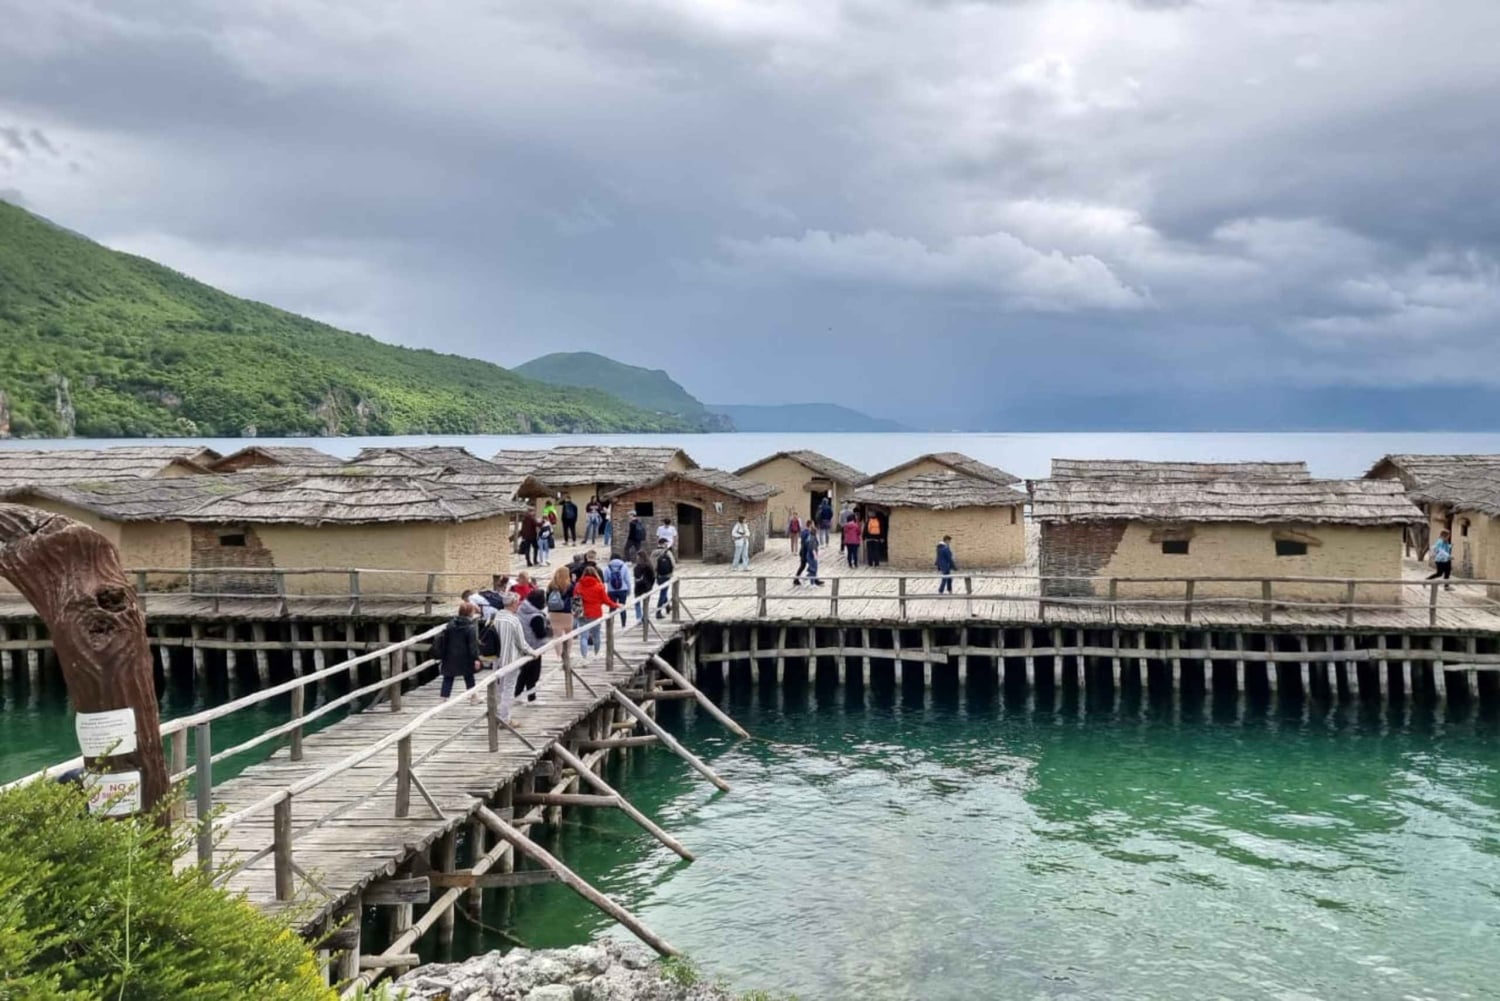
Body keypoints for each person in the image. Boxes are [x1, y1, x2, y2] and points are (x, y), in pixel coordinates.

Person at [491, 592, 533, 723]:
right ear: (513, 603)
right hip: (511, 660)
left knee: (499, 688)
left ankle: (496, 715)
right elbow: (522, 644)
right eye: (517, 602)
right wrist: (533, 652)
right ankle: (505, 718)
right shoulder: (514, 620)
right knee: (508, 689)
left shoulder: (496, 616)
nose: (518, 605)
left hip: (497, 659)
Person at [436, 601, 481, 703]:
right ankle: (473, 697)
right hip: (465, 656)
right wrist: (476, 659)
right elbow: (472, 646)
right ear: (470, 613)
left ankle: (443, 698)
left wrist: (443, 655)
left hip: (450, 655)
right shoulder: (470, 628)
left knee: (448, 677)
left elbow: (445, 640)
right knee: (469, 676)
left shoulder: (450, 625)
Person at [574, 565, 621, 657]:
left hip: (582, 613)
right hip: (595, 613)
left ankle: (584, 656)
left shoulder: (578, 586)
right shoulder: (599, 586)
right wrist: (616, 605)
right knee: (596, 635)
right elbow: (606, 600)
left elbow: (575, 600)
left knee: (584, 636)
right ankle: (596, 654)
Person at [514, 590, 550, 702]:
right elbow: (540, 634)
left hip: (522, 644)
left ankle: (518, 695)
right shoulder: (536, 617)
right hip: (534, 647)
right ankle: (531, 697)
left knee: (524, 672)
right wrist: (549, 630)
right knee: (533, 674)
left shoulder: (521, 609)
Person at [545, 566, 575, 662]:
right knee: (569, 634)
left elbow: (547, 599)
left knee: (557, 635)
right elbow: (574, 597)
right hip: (566, 612)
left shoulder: (550, 585)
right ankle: (568, 654)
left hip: (553, 612)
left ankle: (558, 655)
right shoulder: (570, 585)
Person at [604, 553, 633, 623]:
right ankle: (623, 624)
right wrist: (629, 590)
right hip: (623, 590)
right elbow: (627, 580)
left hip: (611, 590)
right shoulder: (624, 566)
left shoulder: (607, 567)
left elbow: (605, 580)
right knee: (622, 607)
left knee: (612, 607)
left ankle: (610, 624)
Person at [654, 541, 677, 618]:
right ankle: (658, 612)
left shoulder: (654, 553)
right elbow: (673, 564)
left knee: (663, 591)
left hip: (658, 576)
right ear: (664, 544)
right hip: (666, 575)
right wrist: (671, 572)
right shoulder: (668, 552)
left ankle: (668, 607)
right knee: (663, 593)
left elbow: (652, 565)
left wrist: (655, 575)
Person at [633, 550, 656, 625]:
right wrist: (650, 585)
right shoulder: (649, 566)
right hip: (647, 587)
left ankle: (639, 618)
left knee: (637, 603)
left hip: (638, 587)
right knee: (646, 603)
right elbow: (653, 577)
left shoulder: (637, 567)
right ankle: (645, 617)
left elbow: (636, 576)